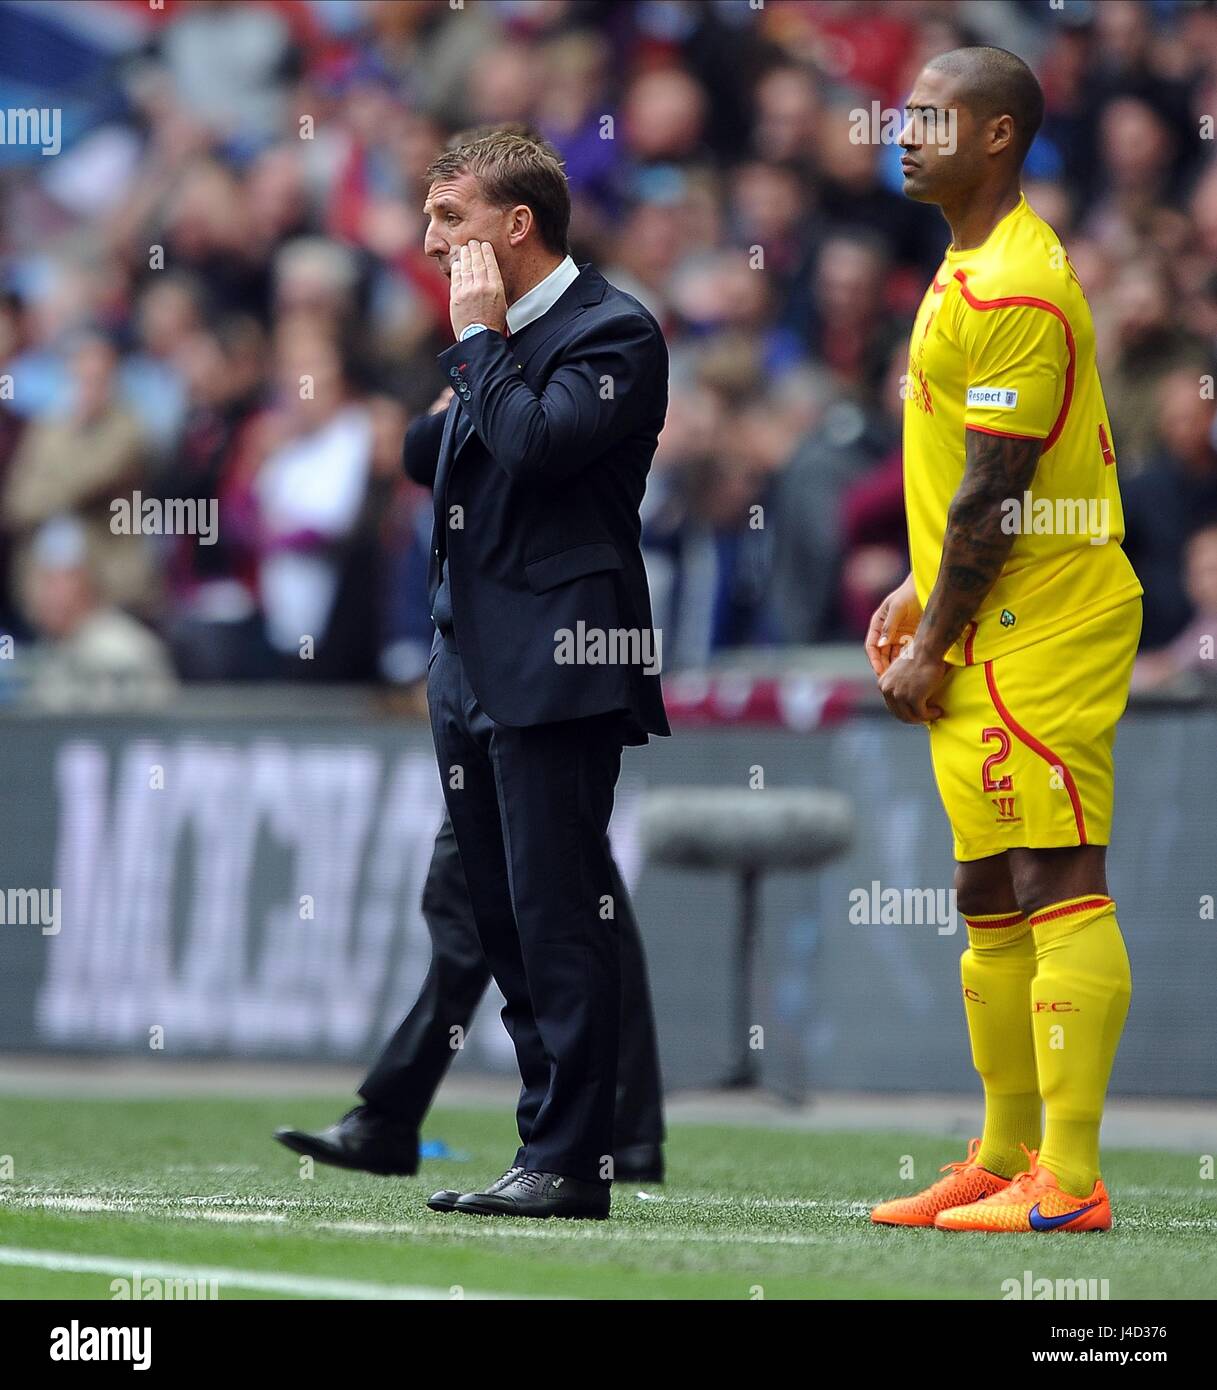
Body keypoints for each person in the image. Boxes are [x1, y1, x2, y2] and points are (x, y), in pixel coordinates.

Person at [866, 48, 1143, 1234]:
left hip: (1042, 623)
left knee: (1055, 879)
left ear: (995, 137)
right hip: (981, 613)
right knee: (985, 885)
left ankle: (1069, 1181)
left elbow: (996, 493)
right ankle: (1000, 1150)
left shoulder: (1017, 286)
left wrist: (935, 632)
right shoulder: (962, 267)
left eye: (931, 114)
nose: (904, 128)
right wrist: (916, 583)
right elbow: (956, 484)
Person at [405, 127, 669, 1219]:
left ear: (516, 225)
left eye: (449, 218)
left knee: (560, 914)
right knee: (505, 922)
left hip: (563, 659)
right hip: (468, 661)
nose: (430, 242)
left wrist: (475, 345)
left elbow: (534, 448)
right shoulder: (505, 339)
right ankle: (544, 1144)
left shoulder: (613, 331)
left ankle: (575, 1159)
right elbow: (439, 459)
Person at [274, 811, 666, 1186]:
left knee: (555, 874)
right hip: (485, 742)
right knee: (554, 873)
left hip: (532, 741)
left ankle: (617, 1126)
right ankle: (621, 1126)